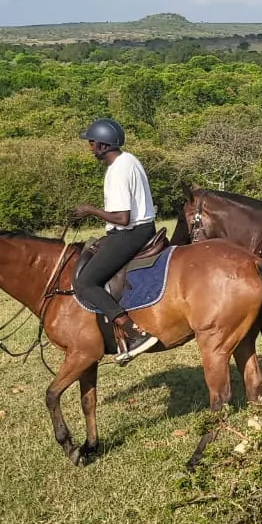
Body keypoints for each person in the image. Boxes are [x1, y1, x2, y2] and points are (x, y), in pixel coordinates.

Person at [71, 117, 161, 364]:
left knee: (86, 282)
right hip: (139, 228)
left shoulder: (118, 170)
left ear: (102, 145)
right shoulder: (129, 160)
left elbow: (122, 218)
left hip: (130, 232)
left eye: (91, 143)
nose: (89, 147)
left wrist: (89, 210)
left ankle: (132, 332)